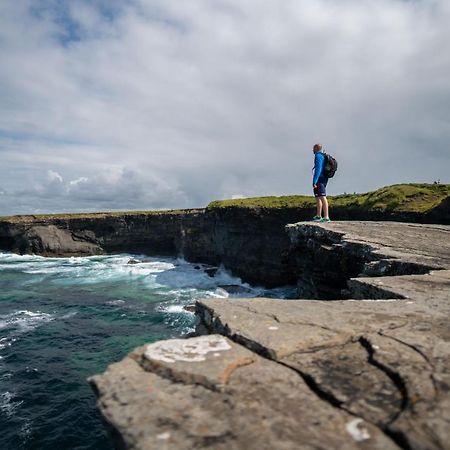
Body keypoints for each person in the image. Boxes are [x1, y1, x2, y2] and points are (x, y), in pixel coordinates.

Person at [312, 143, 331, 222]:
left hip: (321, 178)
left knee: (322, 196)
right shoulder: (322, 155)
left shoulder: (318, 156)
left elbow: (318, 169)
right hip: (322, 178)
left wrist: (314, 180)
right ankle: (318, 215)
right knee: (318, 196)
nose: (312, 150)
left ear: (316, 148)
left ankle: (326, 217)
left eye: (313, 148)